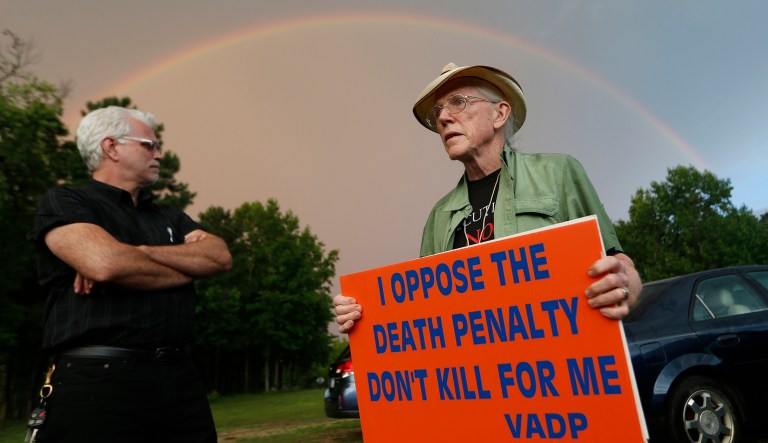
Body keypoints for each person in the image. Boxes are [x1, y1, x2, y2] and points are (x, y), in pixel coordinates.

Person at [334, 62, 641, 333]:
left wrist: (624, 282)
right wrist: (362, 314)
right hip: (482, 389)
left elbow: (618, 262)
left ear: (499, 113)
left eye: (458, 102)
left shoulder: (558, 173)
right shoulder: (439, 216)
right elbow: (424, 316)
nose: (443, 118)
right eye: (438, 111)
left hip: (562, 381)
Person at [28, 106, 232, 443]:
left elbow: (219, 257)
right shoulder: (65, 200)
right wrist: (186, 264)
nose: (159, 154)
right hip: (98, 383)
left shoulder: (169, 215)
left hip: (181, 382)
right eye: (148, 145)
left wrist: (138, 253)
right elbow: (105, 265)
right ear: (111, 148)